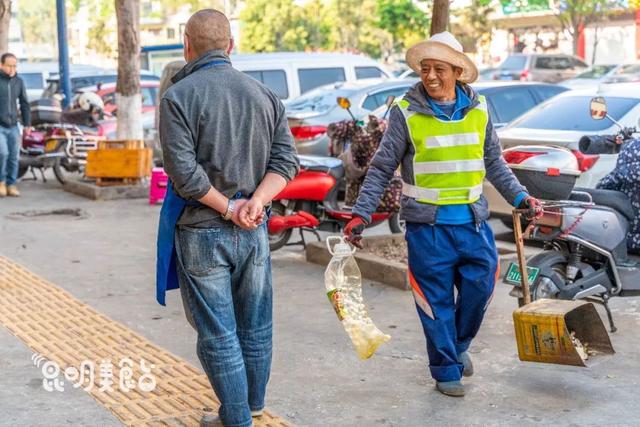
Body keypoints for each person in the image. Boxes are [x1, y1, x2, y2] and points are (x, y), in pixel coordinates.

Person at [343, 32, 541, 397]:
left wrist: (520, 195)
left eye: (439, 69)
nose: (430, 76)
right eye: (424, 69)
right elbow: (382, 167)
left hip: (474, 224)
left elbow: (494, 161)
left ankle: (458, 345)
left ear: (458, 71)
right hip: (426, 229)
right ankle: (445, 367)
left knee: (480, 290)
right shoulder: (405, 113)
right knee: (434, 302)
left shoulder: (480, 108)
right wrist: (360, 214)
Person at [157, 9, 298, 427]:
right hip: (253, 229)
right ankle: (252, 406)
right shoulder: (264, 94)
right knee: (255, 324)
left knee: (218, 332)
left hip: (203, 230)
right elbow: (285, 161)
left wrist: (229, 207)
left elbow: (185, 175)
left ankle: (236, 418)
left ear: (187, 46)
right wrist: (254, 202)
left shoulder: (178, 97)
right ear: (230, 45)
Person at [0, 53, 30, 197]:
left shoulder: (19, 82)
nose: (12, 69)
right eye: (9, 65)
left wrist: (27, 123)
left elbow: (24, 104)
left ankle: (11, 184)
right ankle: (1, 182)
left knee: (14, 156)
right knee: (2, 153)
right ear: (1, 65)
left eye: (14, 66)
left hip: (13, 126)